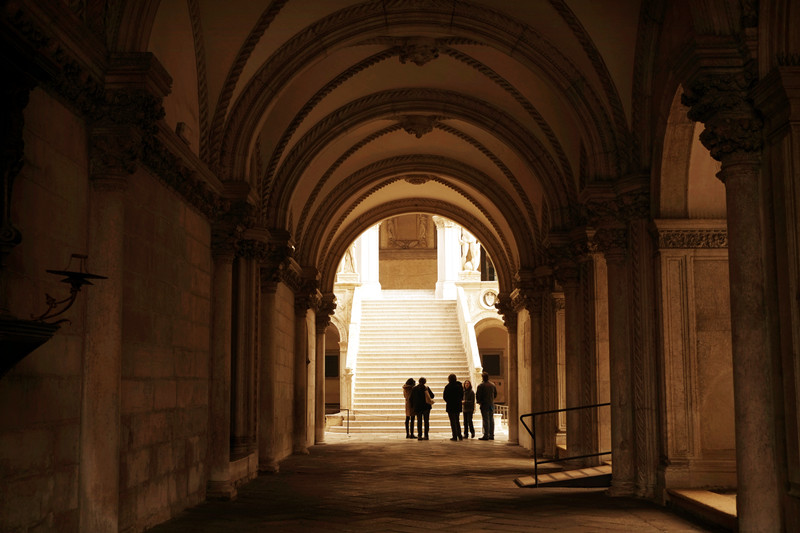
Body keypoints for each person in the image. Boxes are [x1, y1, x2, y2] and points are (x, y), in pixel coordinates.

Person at [475, 371, 497, 440]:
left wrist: (479, 402)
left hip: (484, 404)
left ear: (482, 377)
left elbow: (478, 395)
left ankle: (486, 435)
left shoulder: (481, 385)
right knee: (491, 419)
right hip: (491, 404)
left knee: (485, 420)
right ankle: (491, 435)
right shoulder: (492, 385)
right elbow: (495, 394)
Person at [443, 374, 464, 441]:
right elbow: (462, 395)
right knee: (457, 421)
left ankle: (454, 436)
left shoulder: (448, 387)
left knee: (452, 421)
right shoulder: (459, 386)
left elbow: (445, 397)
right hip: (457, 405)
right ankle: (459, 435)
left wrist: (449, 401)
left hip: (450, 406)